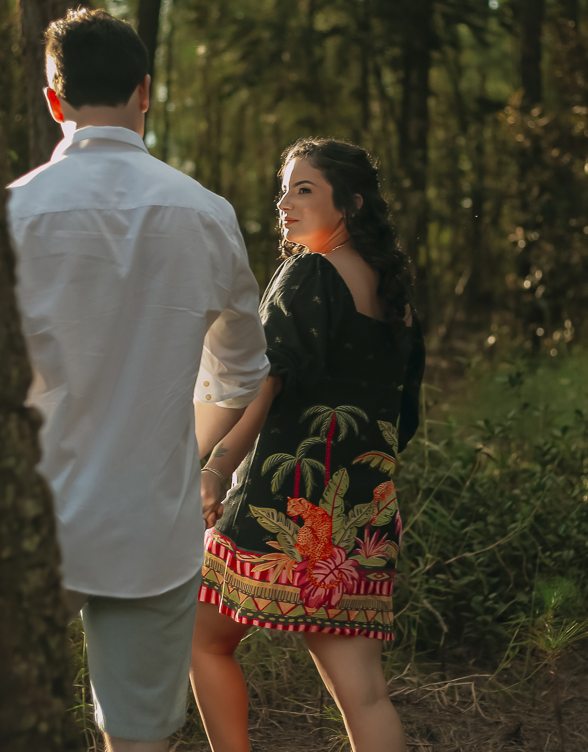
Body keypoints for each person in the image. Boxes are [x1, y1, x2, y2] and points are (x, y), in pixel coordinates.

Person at [5, 8, 270, 752]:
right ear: (144, 91)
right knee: (140, 740)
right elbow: (242, 373)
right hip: (151, 523)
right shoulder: (207, 215)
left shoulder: (7, 215)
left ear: (54, 99)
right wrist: (181, 456)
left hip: (27, 517)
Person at [191, 138, 425, 752]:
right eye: (283, 190)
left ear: (350, 203)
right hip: (363, 518)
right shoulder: (394, 297)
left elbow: (265, 385)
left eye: (304, 190)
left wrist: (217, 466)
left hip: (286, 503)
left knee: (198, 637)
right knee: (364, 693)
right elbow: (402, 415)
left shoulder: (309, 273)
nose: (284, 204)